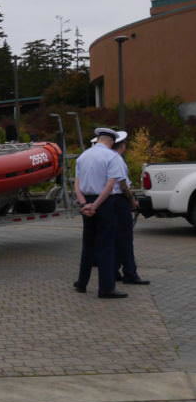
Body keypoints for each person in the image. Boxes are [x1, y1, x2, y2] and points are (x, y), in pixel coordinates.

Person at [73, 127, 128, 298]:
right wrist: (96, 205)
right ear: (111, 141)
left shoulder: (83, 156)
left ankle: (82, 283)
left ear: (98, 139)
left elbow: (76, 184)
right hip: (104, 203)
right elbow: (110, 186)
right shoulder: (112, 156)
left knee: (88, 245)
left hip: (86, 202)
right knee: (106, 246)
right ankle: (106, 288)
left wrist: (85, 204)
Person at [111, 132, 150, 285]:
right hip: (119, 201)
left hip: (108, 201)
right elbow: (123, 184)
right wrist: (132, 201)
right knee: (125, 240)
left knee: (114, 239)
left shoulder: (105, 158)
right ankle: (130, 273)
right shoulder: (117, 160)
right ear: (123, 146)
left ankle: (114, 271)